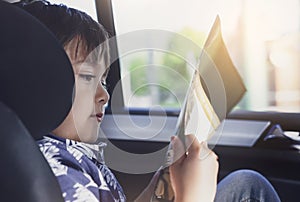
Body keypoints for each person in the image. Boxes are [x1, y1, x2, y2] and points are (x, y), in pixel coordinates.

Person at [14, 1, 281, 202]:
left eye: (104, 80)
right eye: (86, 76)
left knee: (245, 182)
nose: (104, 95)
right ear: (37, 81)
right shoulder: (54, 170)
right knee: (249, 189)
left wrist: (159, 187)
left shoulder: (69, 153)